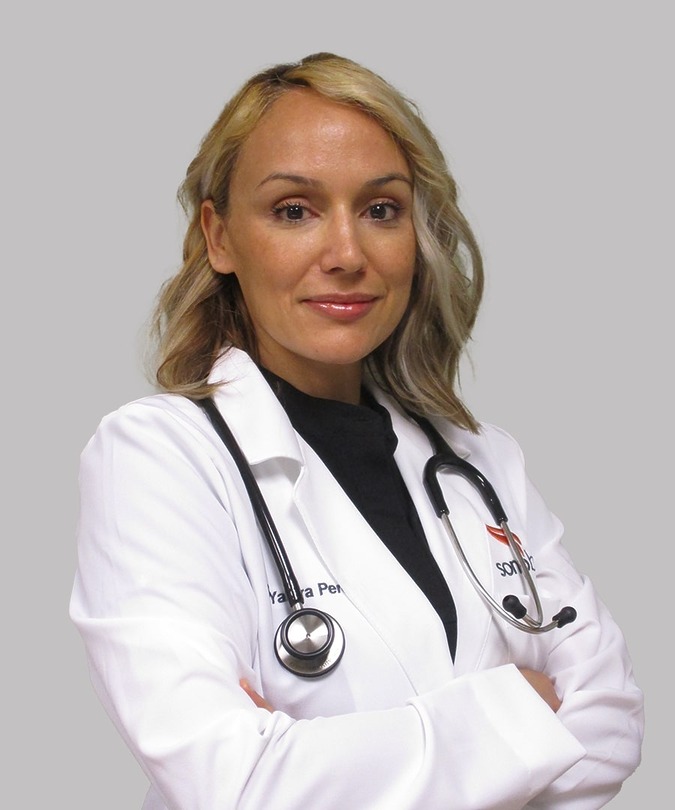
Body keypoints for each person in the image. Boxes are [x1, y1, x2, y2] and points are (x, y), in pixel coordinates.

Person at [70, 53, 643, 809]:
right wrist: (523, 712)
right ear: (219, 237)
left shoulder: (480, 462)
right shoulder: (158, 457)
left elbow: (611, 725)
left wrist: (322, 758)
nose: (347, 255)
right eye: (293, 211)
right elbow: (234, 781)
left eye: (380, 210)